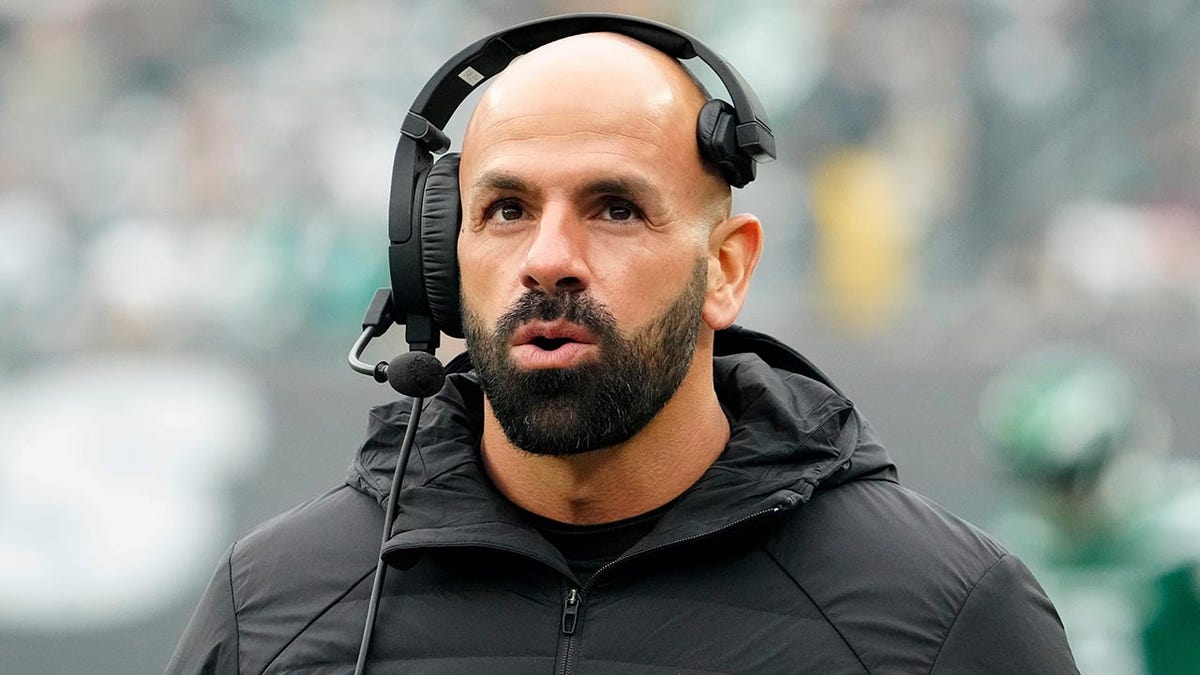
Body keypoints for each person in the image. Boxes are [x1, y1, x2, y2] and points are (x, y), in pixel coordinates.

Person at [168, 15, 1078, 674]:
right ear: (439, 262)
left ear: (725, 268)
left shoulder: (947, 616)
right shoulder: (272, 608)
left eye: (614, 207)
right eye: (507, 209)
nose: (548, 259)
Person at [980, 347, 1200, 675]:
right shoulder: (1016, 548)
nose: (1058, 500)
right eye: (1039, 480)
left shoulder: (1184, 532)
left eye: (1067, 479)